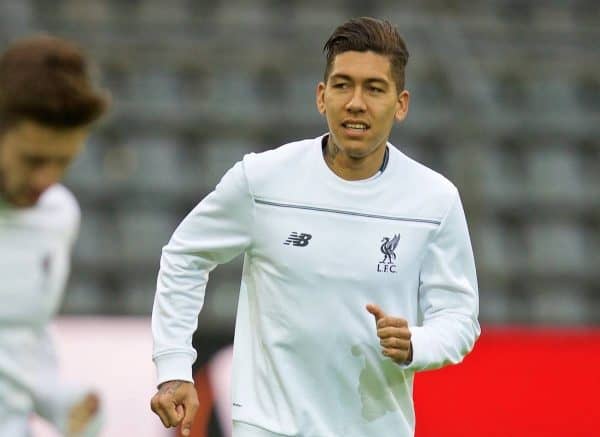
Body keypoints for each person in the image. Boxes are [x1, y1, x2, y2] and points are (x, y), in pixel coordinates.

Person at [151, 17, 480, 437]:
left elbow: (459, 316)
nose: (356, 102)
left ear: (401, 104)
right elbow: (185, 255)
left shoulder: (435, 200)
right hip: (268, 424)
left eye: (374, 89)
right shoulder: (262, 180)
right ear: (321, 97)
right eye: (342, 85)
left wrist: (417, 343)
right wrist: (174, 366)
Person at [0, 35, 109, 435]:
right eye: (33, 160)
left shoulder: (59, 214)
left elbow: (22, 339)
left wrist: (65, 403)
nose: (46, 179)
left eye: (63, 162)